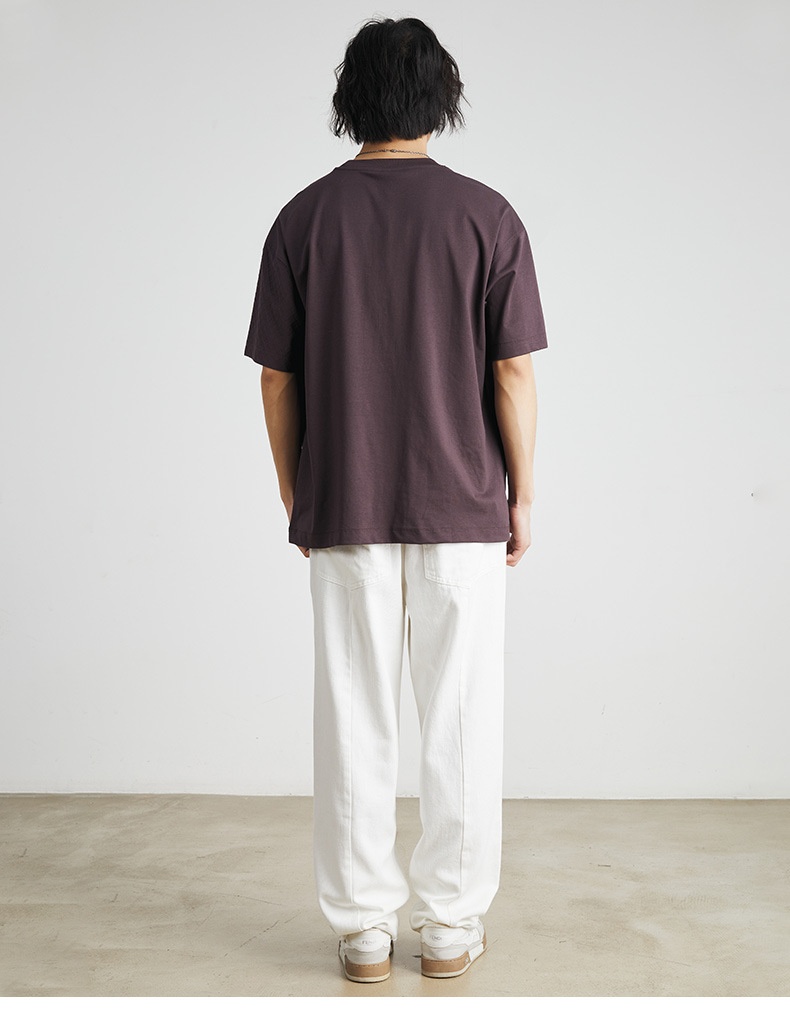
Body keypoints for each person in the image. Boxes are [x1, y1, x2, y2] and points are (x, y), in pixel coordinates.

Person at [243, 15, 548, 984]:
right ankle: (450, 926)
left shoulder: (303, 219)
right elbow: (512, 370)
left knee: (353, 715)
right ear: (440, 99)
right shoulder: (487, 216)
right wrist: (522, 494)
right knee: (460, 715)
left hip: (346, 504)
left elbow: (277, 379)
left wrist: (299, 491)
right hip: (464, 505)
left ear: (352, 101)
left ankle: (364, 932)